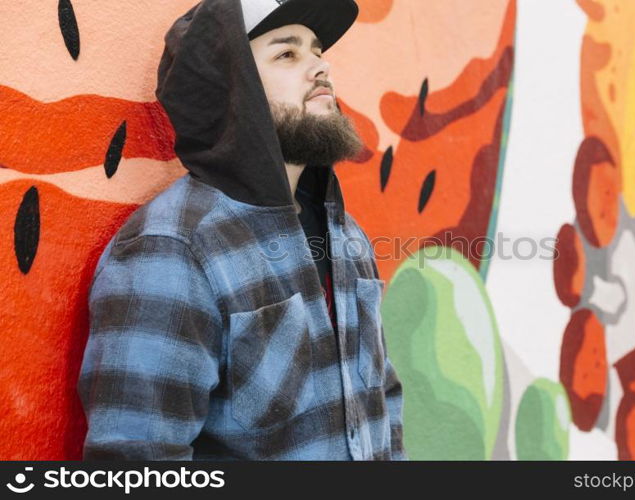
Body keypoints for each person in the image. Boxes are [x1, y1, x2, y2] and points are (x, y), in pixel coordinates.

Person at [77, 0, 406, 461]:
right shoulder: (173, 249)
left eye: (315, 50)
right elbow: (137, 463)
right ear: (232, 90)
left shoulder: (346, 235)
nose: (320, 65)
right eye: (287, 54)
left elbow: (380, 400)